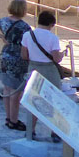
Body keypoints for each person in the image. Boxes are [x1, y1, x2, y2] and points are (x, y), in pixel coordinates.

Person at [0, 0, 32, 131]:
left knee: (7, 88)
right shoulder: (24, 26)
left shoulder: (3, 21)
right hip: (18, 57)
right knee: (16, 90)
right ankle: (14, 121)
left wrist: (0, 36)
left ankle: (9, 118)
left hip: (6, 54)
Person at [21, 10, 67, 143]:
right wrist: (62, 54)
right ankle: (55, 132)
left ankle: (31, 129)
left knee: (33, 99)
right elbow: (56, 59)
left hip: (33, 68)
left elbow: (24, 55)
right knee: (54, 100)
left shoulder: (27, 35)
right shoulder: (53, 38)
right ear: (52, 24)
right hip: (49, 69)